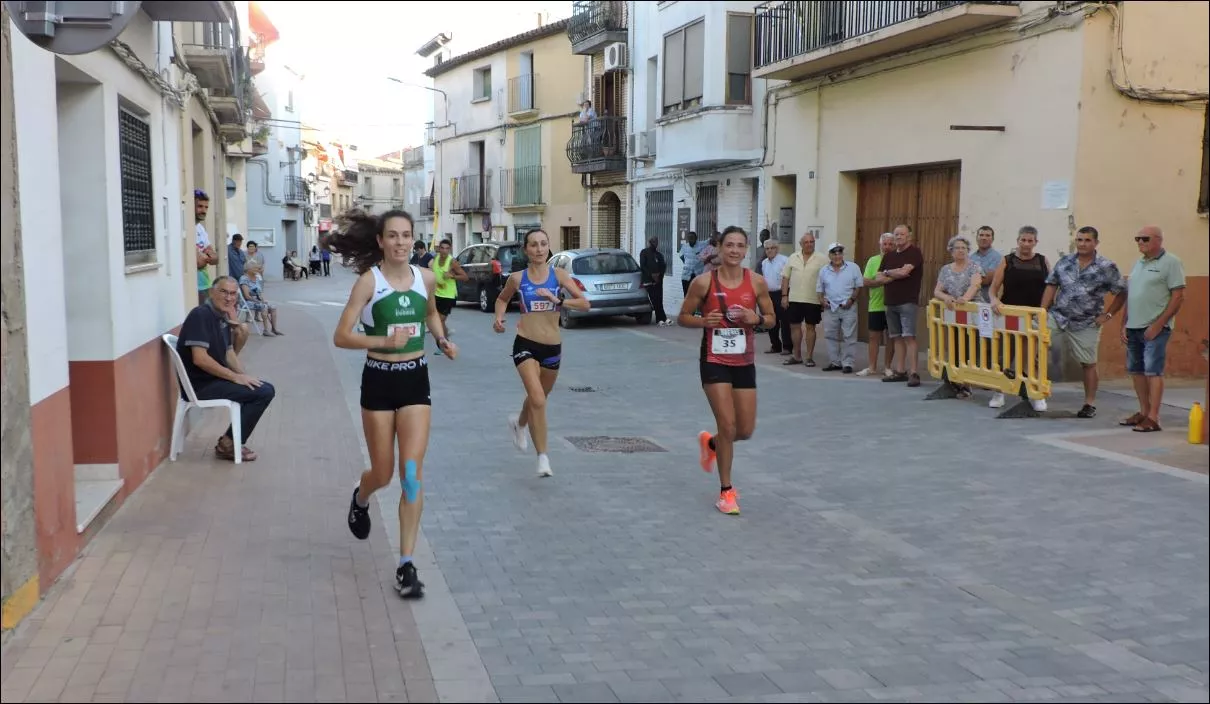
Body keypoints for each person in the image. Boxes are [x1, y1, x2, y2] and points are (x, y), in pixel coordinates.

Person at [331, 209, 458, 600]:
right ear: (380, 241)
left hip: (415, 380)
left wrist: (441, 340)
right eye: (393, 236)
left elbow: (432, 314)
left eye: (406, 236)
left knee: (411, 473)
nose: (401, 242)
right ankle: (361, 496)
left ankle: (406, 564)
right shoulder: (369, 283)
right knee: (383, 473)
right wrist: (383, 342)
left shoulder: (428, 278)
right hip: (379, 381)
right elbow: (341, 336)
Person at [679, 226, 776, 516]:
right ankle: (726, 492)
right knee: (728, 426)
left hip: (744, 362)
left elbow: (771, 320)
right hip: (714, 360)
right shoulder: (703, 282)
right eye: (729, 245)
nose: (734, 250)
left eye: (740, 246)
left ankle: (711, 444)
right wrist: (703, 322)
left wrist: (755, 318)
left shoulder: (756, 282)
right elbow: (682, 317)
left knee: (744, 431)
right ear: (719, 248)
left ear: (746, 250)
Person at [493, 229, 590, 478]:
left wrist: (558, 300)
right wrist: (499, 318)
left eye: (543, 244)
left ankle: (520, 423)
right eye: (533, 245)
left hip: (552, 348)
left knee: (539, 398)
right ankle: (543, 457)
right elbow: (502, 299)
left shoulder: (559, 276)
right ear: (526, 249)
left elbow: (584, 303)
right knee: (537, 399)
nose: (539, 249)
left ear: (549, 247)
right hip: (525, 343)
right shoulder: (517, 278)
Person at [175, 276, 276, 463]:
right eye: (223, 292)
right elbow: (200, 359)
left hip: (213, 380)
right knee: (263, 392)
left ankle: (229, 442)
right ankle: (227, 445)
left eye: (232, 294)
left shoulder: (220, 316)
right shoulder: (201, 315)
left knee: (260, 387)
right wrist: (234, 378)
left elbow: (228, 352)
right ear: (212, 292)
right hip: (200, 385)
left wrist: (242, 375)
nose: (229, 298)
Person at [1040, 225, 1126, 419]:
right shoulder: (1065, 261)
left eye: (1087, 240)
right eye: (1079, 240)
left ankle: (1089, 404)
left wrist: (1108, 315)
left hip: (1086, 322)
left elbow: (1121, 292)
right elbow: (1052, 285)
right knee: (1033, 340)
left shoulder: (1106, 267)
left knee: (1088, 363)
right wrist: (1042, 311)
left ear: (1096, 243)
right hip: (1058, 316)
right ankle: (1030, 392)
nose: (1082, 244)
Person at [1121, 225, 1185, 432]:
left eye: (1145, 239)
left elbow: (1177, 297)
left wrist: (1158, 324)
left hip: (1155, 327)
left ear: (1158, 240)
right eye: (1137, 239)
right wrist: (1124, 323)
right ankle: (1143, 412)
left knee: (1152, 371)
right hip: (1133, 326)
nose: (1140, 242)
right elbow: (1132, 295)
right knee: (1136, 371)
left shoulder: (1171, 263)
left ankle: (1154, 417)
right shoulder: (1138, 263)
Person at [988, 225, 1049, 410]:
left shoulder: (1042, 261)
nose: (1026, 244)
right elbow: (993, 288)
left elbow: (1051, 287)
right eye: (1023, 240)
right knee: (1005, 355)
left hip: (1034, 316)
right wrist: (994, 300)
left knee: (1034, 356)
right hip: (1009, 316)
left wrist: (1046, 309)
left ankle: (1036, 394)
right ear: (1018, 241)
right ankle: (999, 392)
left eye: (1030, 241)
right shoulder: (1007, 261)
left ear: (1036, 242)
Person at [429, 238, 469, 354]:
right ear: (438, 249)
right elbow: (433, 272)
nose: (444, 251)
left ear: (450, 249)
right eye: (442, 248)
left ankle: (443, 346)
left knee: (440, 320)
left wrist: (452, 276)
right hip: (436, 294)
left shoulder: (452, 262)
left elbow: (465, 277)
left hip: (448, 296)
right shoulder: (435, 259)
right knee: (435, 320)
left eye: (447, 248)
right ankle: (445, 334)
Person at [640, 236, 670, 326]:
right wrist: (651, 275)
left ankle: (661, 318)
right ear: (649, 242)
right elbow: (643, 266)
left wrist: (659, 276)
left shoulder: (659, 254)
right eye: (653, 242)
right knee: (654, 299)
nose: (655, 244)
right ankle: (661, 318)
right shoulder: (644, 252)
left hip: (658, 280)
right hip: (649, 280)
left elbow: (663, 266)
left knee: (659, 299)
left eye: (656, 242)